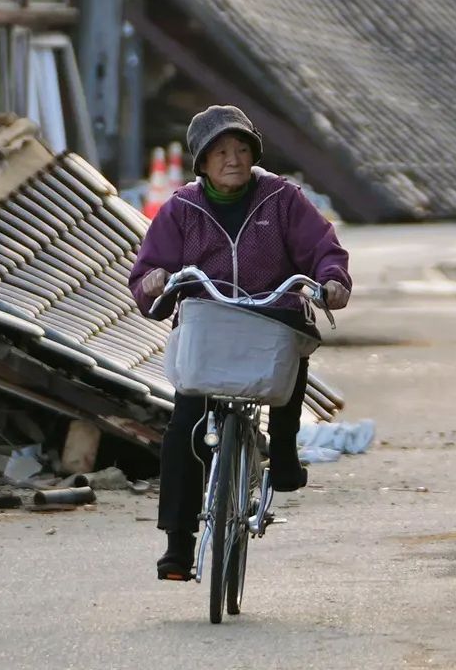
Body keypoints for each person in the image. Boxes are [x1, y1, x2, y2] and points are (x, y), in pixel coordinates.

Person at [129, 105, 353, 582]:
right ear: (203, 164)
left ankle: (285, 452)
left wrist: (331, 280)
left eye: (242, 149)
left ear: (254, 154)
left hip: (271, 314)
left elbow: (322, 247)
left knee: (292, 355)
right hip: (209, 324)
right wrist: (153, 283)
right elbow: (149, 268)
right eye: (221, 152)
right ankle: (177, 544)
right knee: (184, 429)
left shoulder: (282, 199)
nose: (234, 159)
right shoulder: (182, 210)